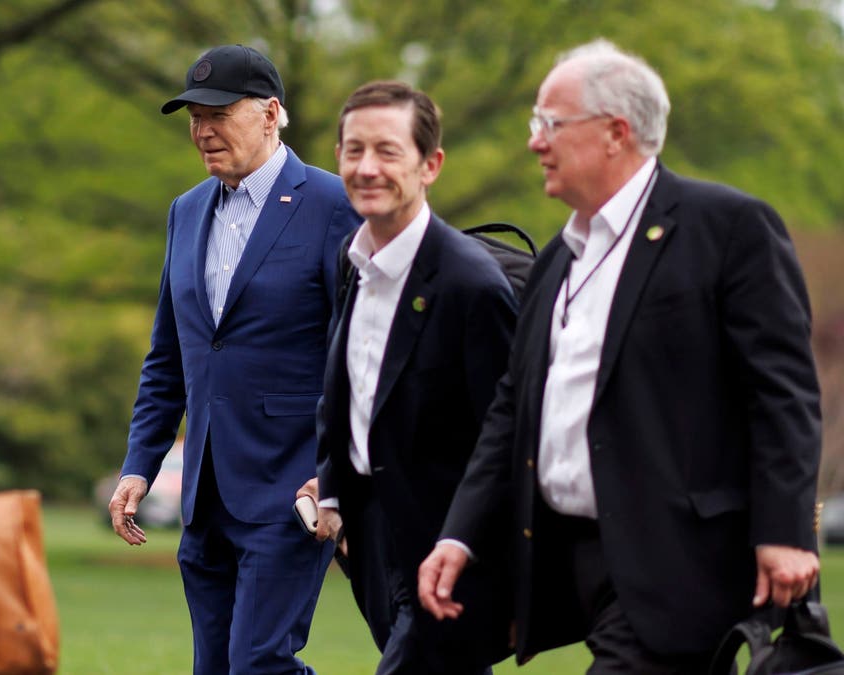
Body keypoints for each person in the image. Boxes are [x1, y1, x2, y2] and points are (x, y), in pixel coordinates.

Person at [417, 38, 821, 674]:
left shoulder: (727, 228)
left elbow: (783, 393)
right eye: (533, 124)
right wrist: (460, 532)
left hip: (680, 559)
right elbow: (513, 407)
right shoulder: (556, 258)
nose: (534, 142)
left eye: (550, 123)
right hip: (565, 562)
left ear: (615, 133)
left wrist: (787, 529)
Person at [107, 44, 361, 674]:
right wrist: (141, 463)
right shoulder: (185, 211)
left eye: (219, 112)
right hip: (204, 497)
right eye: (194, 115)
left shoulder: (335, 205)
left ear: (273, 112)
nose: (202, 129)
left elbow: (361, 355)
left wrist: (335, 471)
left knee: (259, 664)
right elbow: (169, 355)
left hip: (291, 487)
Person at [301, 80, 517, 674]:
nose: (367, 168)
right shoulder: (352, 260)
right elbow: (345, 387)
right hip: (372, 536)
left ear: (431, 165)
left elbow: (507, 436)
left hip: (449, 543)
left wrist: (484, 552)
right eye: (353, 150)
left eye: (387, 151)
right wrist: (334, 488)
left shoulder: (470, 283)